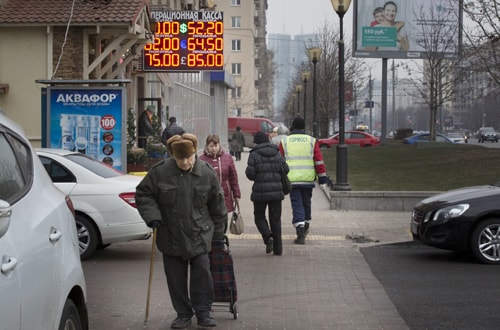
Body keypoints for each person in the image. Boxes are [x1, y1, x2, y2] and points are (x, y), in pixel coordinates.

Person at [135, 133, 227, 329]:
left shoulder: (206, 172)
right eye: (180, 158)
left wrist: (218, 234)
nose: (185, 162)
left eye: (189, 157)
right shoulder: (160, 172)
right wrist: (152, 216)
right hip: (171, 235)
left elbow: (217, 205)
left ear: (195, 153)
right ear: (172, 156)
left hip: (200, 233)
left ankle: (203, 312)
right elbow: (143, 194)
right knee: (175, 278)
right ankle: (183, 314)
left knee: (202, 274)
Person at [279, 117, 328, 245]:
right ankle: (306, 224)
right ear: (303, 127)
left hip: (292, 179)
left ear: (293, 127)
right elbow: (318, 160)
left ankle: (300, 230)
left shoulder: (285, 141)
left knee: (297, 204)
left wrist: (280, 178)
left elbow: (280, 161)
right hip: (308, 179)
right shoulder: (311, 141)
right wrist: (322, 177)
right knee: (307, 202)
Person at [246, 131, 289, 255]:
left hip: (260, 192)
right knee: (275, 220)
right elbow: (286, 169)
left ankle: (267, 236)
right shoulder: (277, 152)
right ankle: (278, 249)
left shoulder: (253, 155)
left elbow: (250, 174)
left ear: (257, 142)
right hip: (276, 192)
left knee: (259, 217)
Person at [199, 134, 241, 225]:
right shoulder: (201, 160)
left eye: (216, 145)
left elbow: (233, 178)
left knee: (223, 220)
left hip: (224, 194)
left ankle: (221, 237)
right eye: (211, 146)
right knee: (210, 220)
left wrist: (236, 194)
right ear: (207, 146)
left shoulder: (227, 158)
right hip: (207, 196)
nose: (214, 148)